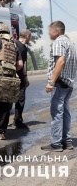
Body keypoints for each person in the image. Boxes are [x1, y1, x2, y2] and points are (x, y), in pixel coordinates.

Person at [41, 21, 77, 152]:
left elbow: (60, 61)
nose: (49, 33)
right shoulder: (70, 43)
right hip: (68, 83)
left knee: (57, 113)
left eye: (50, 30)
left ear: (57, 31)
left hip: (60, 83)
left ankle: (56, 143)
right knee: (66, 113)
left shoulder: (58, 42)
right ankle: (67, 142)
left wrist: (51, 82)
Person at [13, 29, 32, 129]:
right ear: (27, 36)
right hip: (17, 75)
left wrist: (25, 77)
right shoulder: (19, 46)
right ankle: (17, 120)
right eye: (30, 37)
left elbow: (22, 63)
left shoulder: (15, 43)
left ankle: (16, 119)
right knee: (20, 99)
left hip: (17, 75)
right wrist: (16, 73)